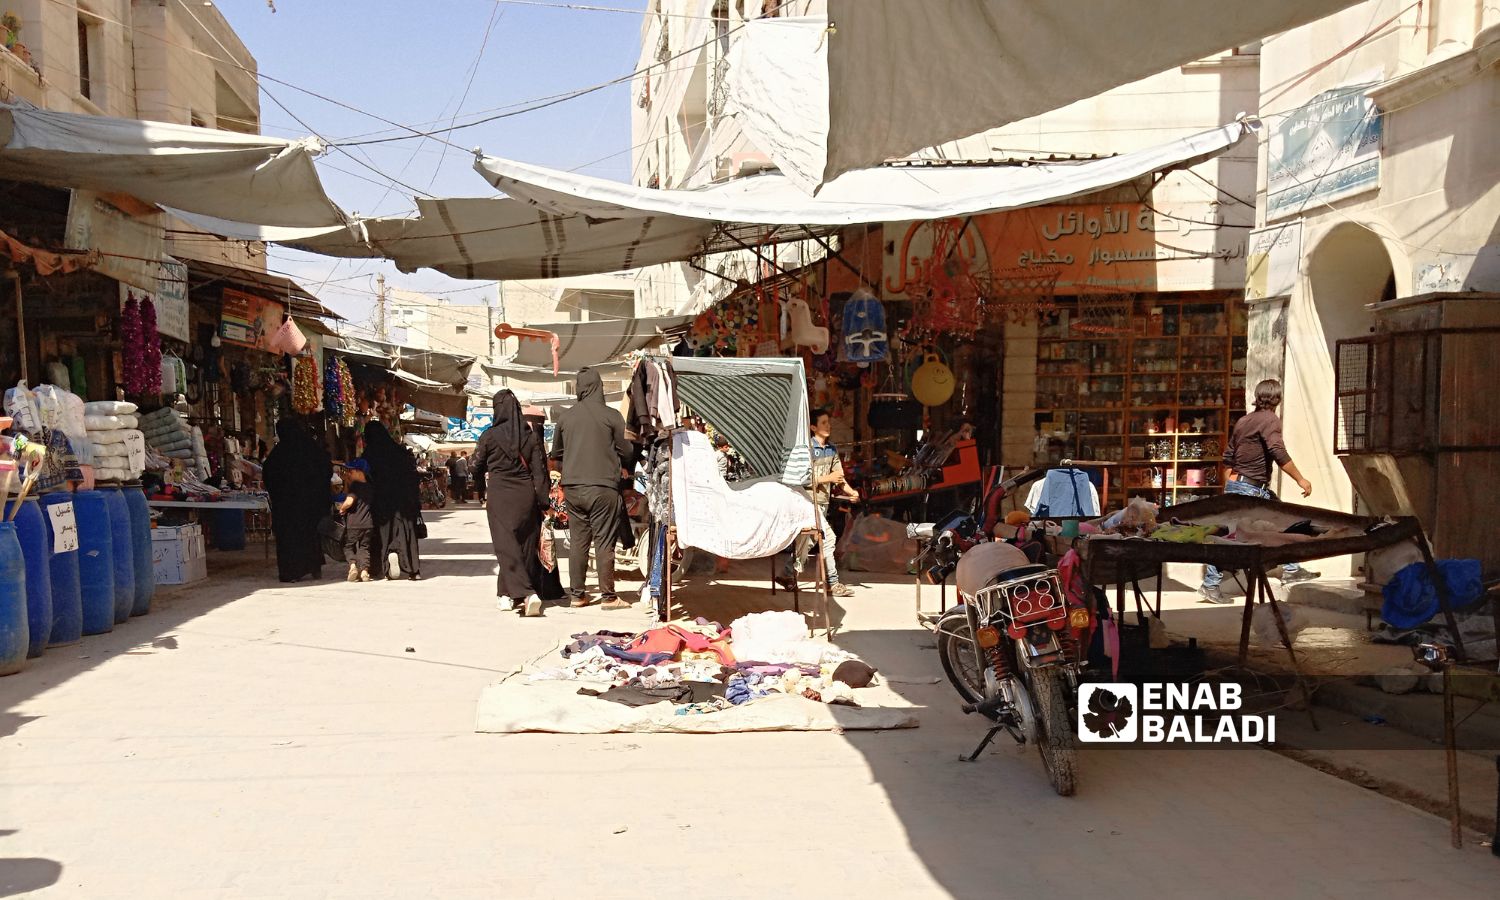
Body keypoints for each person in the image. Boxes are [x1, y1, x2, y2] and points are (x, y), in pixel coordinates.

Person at [1200, 378, 1317, 604]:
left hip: (1243, 486)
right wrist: (1301, 479)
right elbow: (1277, 451)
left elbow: (1228, 458)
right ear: (1277, 399)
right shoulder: (1270, 419)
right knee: (1237, 537)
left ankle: (1292, 568)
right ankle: (1210, 584)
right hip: (1251, 489)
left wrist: (1232, 486)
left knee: (1271, 525)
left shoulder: (1244, 421)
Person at [550, 367, 631, 610]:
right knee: (604, 540)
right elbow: (626, 449)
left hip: (573, 488)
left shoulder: (565, 418)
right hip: (603, 486)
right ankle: (608, 597)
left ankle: (577, 595)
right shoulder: (612, 415)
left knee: (578, 541)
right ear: (599, 387)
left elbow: (556, 454)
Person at [473, 390, 550, 617]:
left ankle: (526, 593)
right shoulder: (531, 437)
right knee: (523, 546)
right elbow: (540, 472)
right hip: (525, 496)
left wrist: (480, 489)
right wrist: (543, 501)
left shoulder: (489, 436)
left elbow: (474, 467)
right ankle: (505, 595)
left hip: (499, 496)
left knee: (506, 547)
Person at [780, 409, 859, 598]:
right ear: (813, 427)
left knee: (808, 542)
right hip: (807, 503)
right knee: (827, 539)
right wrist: (827, 478)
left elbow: (838, 477)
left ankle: (787, 575)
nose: (828, 426)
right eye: (823, 423)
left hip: (823, 503)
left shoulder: (831, 449)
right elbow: (802, 479)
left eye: (828, 422)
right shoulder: (806, 450)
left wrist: (851, 492)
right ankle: (832, 583)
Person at [262, 419, 333, 583]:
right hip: (310, 505)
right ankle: (314, 567)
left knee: (289, 538)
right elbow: (326, 469)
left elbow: (269, 475)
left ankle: (290, 572)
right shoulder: (311, 449)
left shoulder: (278, 455)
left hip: (286, 507)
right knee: (310, 535)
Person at [362, 421, 423, 581]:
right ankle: (413, 570)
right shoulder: (399, 452)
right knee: (406, 531)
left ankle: (383, 567)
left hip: (381, 500)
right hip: (404, 500)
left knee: (382, 533)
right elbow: (413, 476)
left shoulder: (369, 454)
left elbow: (367, 479)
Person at [338, 459, 375, 583]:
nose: (348, 473)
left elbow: (349, 501)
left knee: (348, 546)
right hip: (368, 524)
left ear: (359, 472)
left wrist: (342, 509)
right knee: (364, 548)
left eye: (351, 470)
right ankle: (364, 571)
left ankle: (353, 566)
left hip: (354, 523)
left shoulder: (356, 487)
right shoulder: (370, 487)